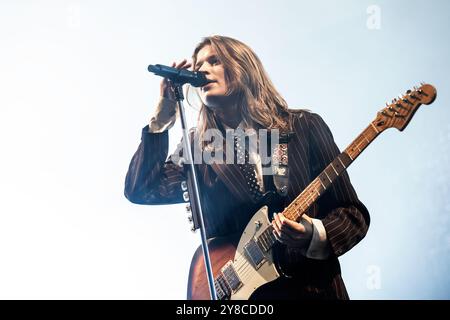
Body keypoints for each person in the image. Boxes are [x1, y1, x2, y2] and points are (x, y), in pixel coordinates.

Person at [124, 35, 370, 299]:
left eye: (214, 61)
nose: (202, 70)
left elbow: (351, 214)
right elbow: (142, 189)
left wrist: (314, 235)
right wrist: (162, 117)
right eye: (197, 67)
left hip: (311, 290)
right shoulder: (199, 147)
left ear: (242, 66)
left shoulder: (302, 126)